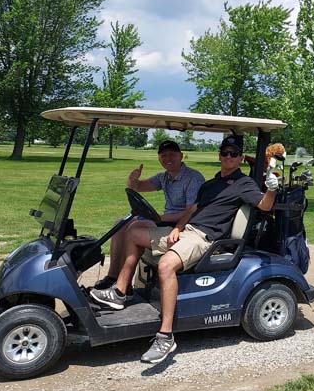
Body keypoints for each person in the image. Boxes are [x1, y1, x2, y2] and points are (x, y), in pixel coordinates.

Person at [89, 135, 280, 364]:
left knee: (166, 265)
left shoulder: (244, 183)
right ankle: (120, 291)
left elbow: (264, 205)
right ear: (219, 156)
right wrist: (177, 227)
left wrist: (271, 190)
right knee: (133, 232)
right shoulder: (210, 184)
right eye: (225, 153)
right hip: (188, 229)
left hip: (204, 238)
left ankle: (166, 336)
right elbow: (191, 210)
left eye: (234, 154)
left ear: (240, 158)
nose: (229, 157)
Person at [94, 140, 205, 293]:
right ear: (159, 158)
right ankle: (113, 276)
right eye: (164, 155)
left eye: (172, 154)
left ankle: (124, 287)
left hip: (181, 226)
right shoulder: (164, 177)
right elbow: (138, 187)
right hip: (165, 221)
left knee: (133, 228)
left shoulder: (193, 178)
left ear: (181, 156)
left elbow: (190, 211)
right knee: (120, 223)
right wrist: (132, 180)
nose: (168, 158)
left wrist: (159, 218)